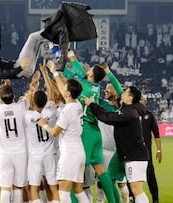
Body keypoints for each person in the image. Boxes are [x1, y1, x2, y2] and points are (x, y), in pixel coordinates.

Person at [60, 51, 120, 203]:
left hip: (85, 130)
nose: (87, 70)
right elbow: (68, 72)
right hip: (96, 132)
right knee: (101, 171)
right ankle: (115, 202)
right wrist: (61, 66)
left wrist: (68, 54)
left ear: (91, 75)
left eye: (90, 70)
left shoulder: (83, 85)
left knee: (75, 172)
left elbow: (74, 72)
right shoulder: (96, 87)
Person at [83, 86, 150, 203]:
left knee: (137, 190)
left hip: (135, 156)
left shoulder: (129, 112)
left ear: (130, 97)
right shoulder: (128, 109)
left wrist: (92, 105)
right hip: (130, 155)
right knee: (113, 179)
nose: (122, 93)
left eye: (125, 92)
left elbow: (107, 117)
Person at [37, 74, 88, 203]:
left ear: (68, 93)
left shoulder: (68, 110)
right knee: (78, 190)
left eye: (64, 88)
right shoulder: (77, 105)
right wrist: (53, 72)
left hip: (70, 154)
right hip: (79, 151)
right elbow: (61, 89)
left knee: (63, 193)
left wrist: (44, 125)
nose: (62, 88)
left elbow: (54, 132)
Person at [0, 11, 45, 79]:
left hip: (22, 68)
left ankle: (53, 34)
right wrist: (21, 67)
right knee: (32, 37)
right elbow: (3, 74)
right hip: (20, 70)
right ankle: (53, 29)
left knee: (38, 40)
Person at [0, 84, 29, 203]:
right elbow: (29, 94)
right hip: (20, 153)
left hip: (4, 153)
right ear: (14, 96)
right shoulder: (21, 107)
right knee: (18, 186)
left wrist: (3, 87)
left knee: (5, 187)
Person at [140, 96, 162, 203]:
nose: (141, 101)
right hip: (133, 150)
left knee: (150, 175)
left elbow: (156, 134)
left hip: (146, 152)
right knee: (132, 177)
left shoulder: (149, 115)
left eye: (142, 99)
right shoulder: (131, 113)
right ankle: (131, 197)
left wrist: (159, 150)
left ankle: (155, 199)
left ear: (145, 102)